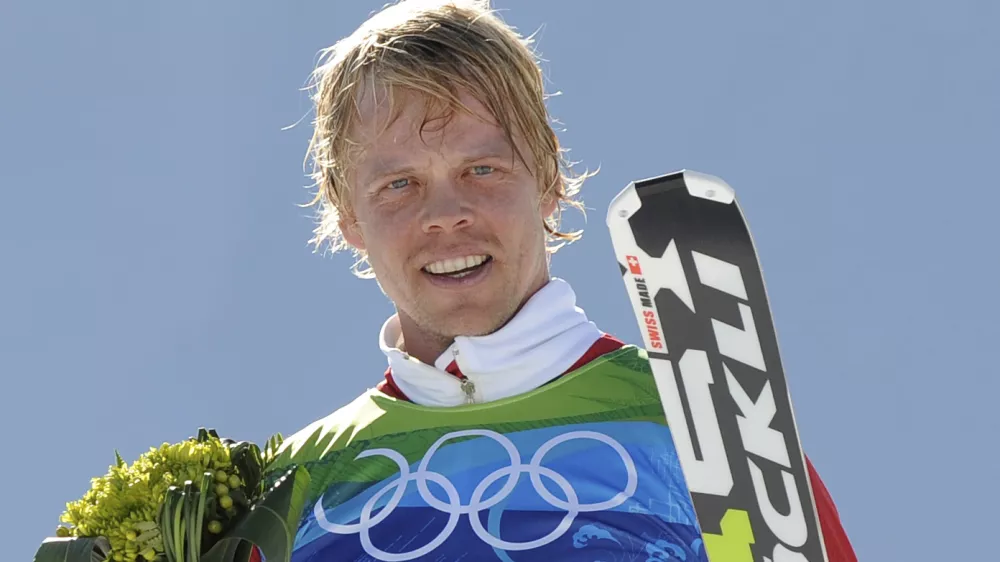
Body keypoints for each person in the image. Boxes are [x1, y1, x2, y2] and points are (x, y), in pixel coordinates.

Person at [264, 1, 857, 560]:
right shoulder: (287, 491)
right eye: (399, 184)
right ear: (347, 216)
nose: (445, 213)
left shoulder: (705, 427)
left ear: (547, 176)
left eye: (483, 169)